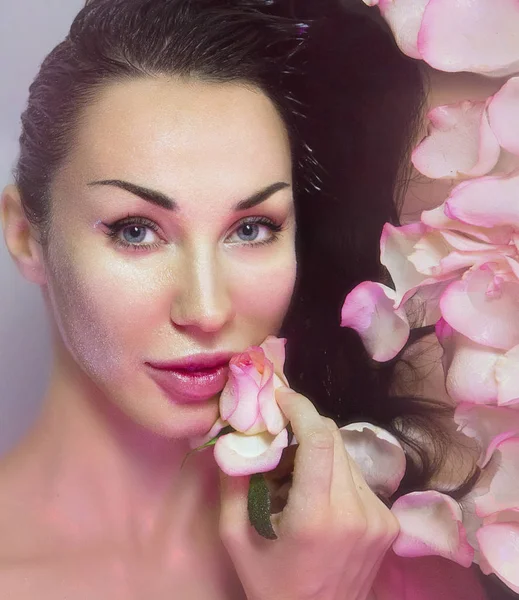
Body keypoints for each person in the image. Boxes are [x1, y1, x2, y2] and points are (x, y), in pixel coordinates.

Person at [0, 0, 491, 597]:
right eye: (136, 230)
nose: (207, 311)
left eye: (251, 229)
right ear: (27, 234)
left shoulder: (393, 558)